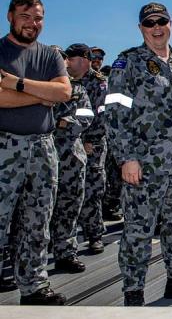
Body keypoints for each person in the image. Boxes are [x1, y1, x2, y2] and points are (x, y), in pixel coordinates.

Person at [104, 2, 172, 306]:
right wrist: (127, 157)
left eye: (161, 21)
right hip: (145, 162)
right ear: (141, 29)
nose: (156, 27)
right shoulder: (128, 63)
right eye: (149, 23)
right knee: (139, 227)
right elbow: (114, 113)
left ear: (171, 23)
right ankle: (133, 291)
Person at [0, 0, 71, 304]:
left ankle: (33, 286)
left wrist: (16, 83)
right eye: (25, 16)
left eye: (38, 17)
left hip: (43, 147)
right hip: (5, 145)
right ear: (10, 17)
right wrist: (43, 95)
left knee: (38, 219)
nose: (32, 23)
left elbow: (64, 91)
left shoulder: (50, 55)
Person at [50, 45, 95, 273]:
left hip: (71, 156)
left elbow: (87, 114)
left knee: (70, 205)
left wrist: (65, 122)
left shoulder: (77, 88)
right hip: (41, 156)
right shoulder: (38, 84)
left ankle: (65, 252)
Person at [65, 43, 109, 255]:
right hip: (69, 145)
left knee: (92, 191)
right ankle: (65, 240)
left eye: (71, 59)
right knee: (69, 193)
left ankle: (94, 235)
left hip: (93, 145)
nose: (67, 63)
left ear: (83, 59)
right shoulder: (66, 80)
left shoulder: (99, 83)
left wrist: (89, 140)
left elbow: (102, 116)